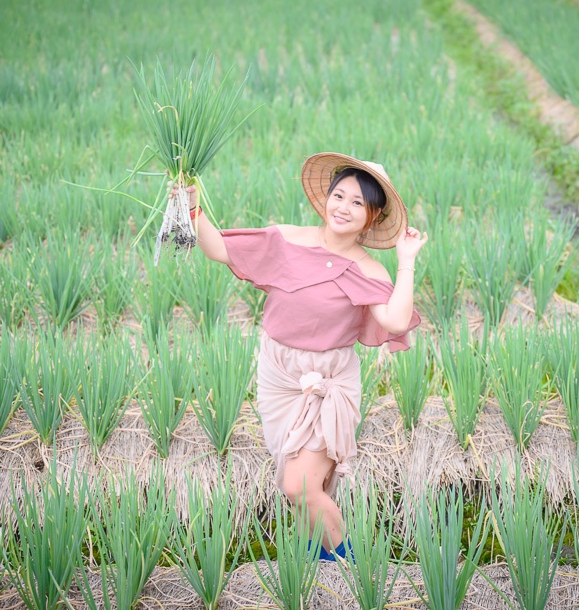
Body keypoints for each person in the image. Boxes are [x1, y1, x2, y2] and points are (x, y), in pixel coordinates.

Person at [173, 152, 427, 560]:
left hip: (329, 381)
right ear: (326, 197)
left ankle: (353, 567)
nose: (343, 207)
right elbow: (218, 248)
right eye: (339, 195)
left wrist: (406, 263)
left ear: (374, 216)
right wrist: (191, 207)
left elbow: (396, 322)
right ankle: (320, 555)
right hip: (279, 376)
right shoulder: (287, 239)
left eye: (358, 203)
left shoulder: (369, 270)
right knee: (304, 483)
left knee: (299, 486)